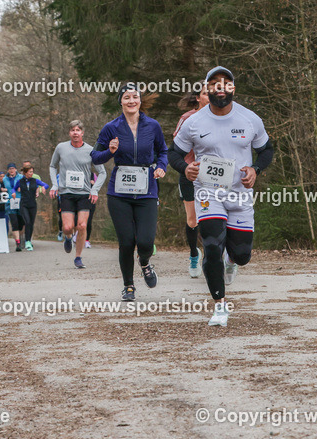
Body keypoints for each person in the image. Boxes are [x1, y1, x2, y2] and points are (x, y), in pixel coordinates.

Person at [169, 66, 274, 326]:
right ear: (207, 88)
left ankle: (232, 260)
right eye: (214, 83)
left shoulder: (250, 119)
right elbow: (173, 153)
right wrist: (186, 168)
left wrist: (255, 169)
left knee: (242, 255)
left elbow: (267, 150)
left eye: (226, 83)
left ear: (233, 89)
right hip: (208, 192)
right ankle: (220, 306)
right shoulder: (194, 122)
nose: (220, 87)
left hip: (239, 194)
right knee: (212, 246)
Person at [92, 84, 168, 300]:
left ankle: (144, 262)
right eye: (127, 97)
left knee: (145, 241)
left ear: (140, 101)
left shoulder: (152, 126)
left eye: (135, 97)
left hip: (147, 191)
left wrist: (161, 166)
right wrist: (110, 151)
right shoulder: (111, 128)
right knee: (126, 242)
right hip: (119, 194)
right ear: (121, 102)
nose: (131, 101)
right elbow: (95, 156)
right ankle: (129, 286)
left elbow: (163, 151)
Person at [50, 120, 107, 268]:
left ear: (82, 133)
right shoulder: (61, 148)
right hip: (66, 192)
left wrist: (95, 190)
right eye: (72, 130)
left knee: (82, 226)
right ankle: (68, 238)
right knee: (68, 227)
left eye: (78, 130)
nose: (75, 132)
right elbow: (52, 166)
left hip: (84, 193)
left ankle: (78, 257)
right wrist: (55, 185)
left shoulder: (91, 150)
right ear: (69, 133)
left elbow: (102, 172)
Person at [174, 90, 210, 278]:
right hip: (191, 173)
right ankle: (194, 254)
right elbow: (176, 145)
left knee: (216, 218)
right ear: (198, 98)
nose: (209, 96)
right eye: (205, 93)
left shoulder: (223, 117)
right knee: (192, 220)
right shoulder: (187, 118)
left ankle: (216, 256)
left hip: (214, 177)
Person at [16, 163, 48, 251]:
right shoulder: (20, 181)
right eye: (30, 172)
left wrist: (41, 189)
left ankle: (28, 241)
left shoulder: (35, 180)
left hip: (33, 204)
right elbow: (14, 188)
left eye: (32, 172)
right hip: (24, 204)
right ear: (25, 173)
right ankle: (27, 241)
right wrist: (14, 192)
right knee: (27, 222)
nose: (31, 174)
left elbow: (45, 185)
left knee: (31, 223)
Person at [1, 163, 25, 250]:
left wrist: (22, 188)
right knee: (14, 223)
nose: (11, 170)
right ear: (7, 170)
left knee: (21, 223)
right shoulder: (4, 179)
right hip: (10, 202)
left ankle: (21, 238)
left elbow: (26, 187)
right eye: (10, 169)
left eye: (13, 168)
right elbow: (3, 188)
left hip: (20, 201)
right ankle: (18, 244)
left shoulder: (21, 177)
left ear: (16, 169)